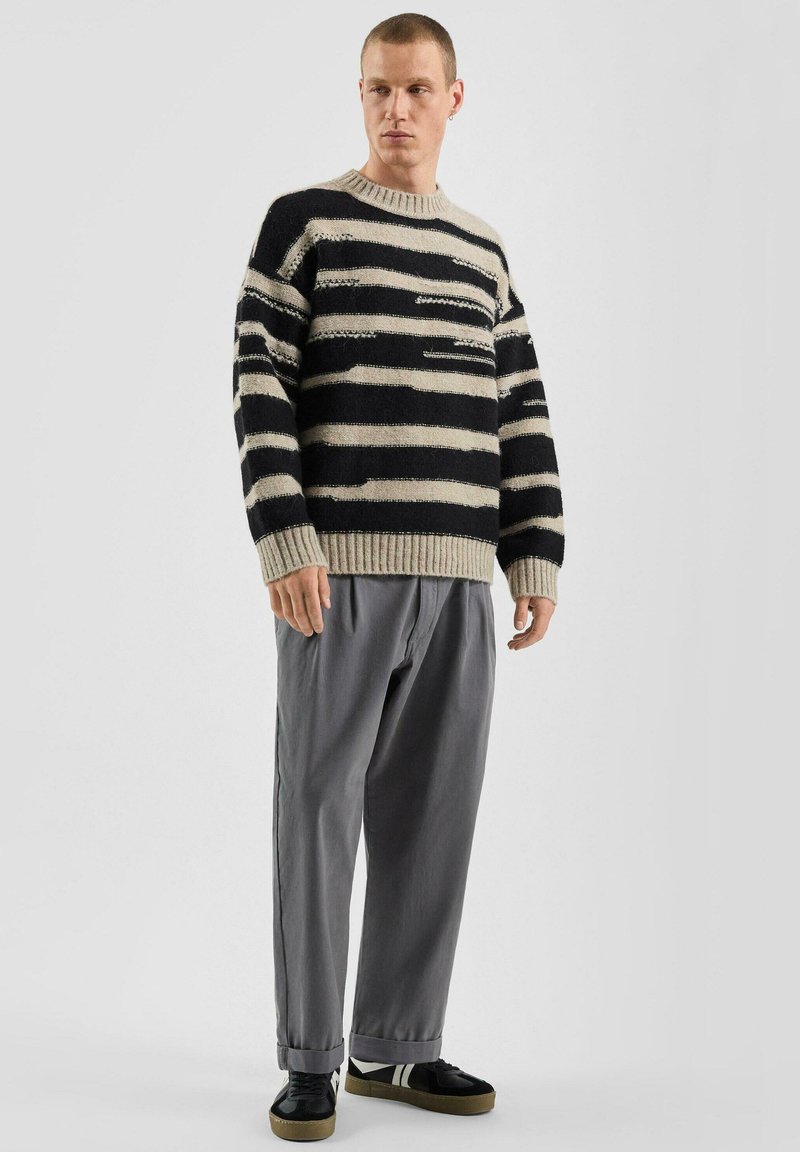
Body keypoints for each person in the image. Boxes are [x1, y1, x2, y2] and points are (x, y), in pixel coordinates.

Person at [232, 13, 565, 1142]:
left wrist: (533, 548)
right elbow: (258, 382)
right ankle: (311, 1059)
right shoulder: (305, 226)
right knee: (317, 809)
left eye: (418, 89)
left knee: (433, 820)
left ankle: (397, 1044)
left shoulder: (483, 254)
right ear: (359, 93)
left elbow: (520, 407)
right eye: (378, 88)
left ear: (454, 98)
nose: (396, 110)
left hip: (459, 579)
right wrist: (286, 538)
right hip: (339, 576)